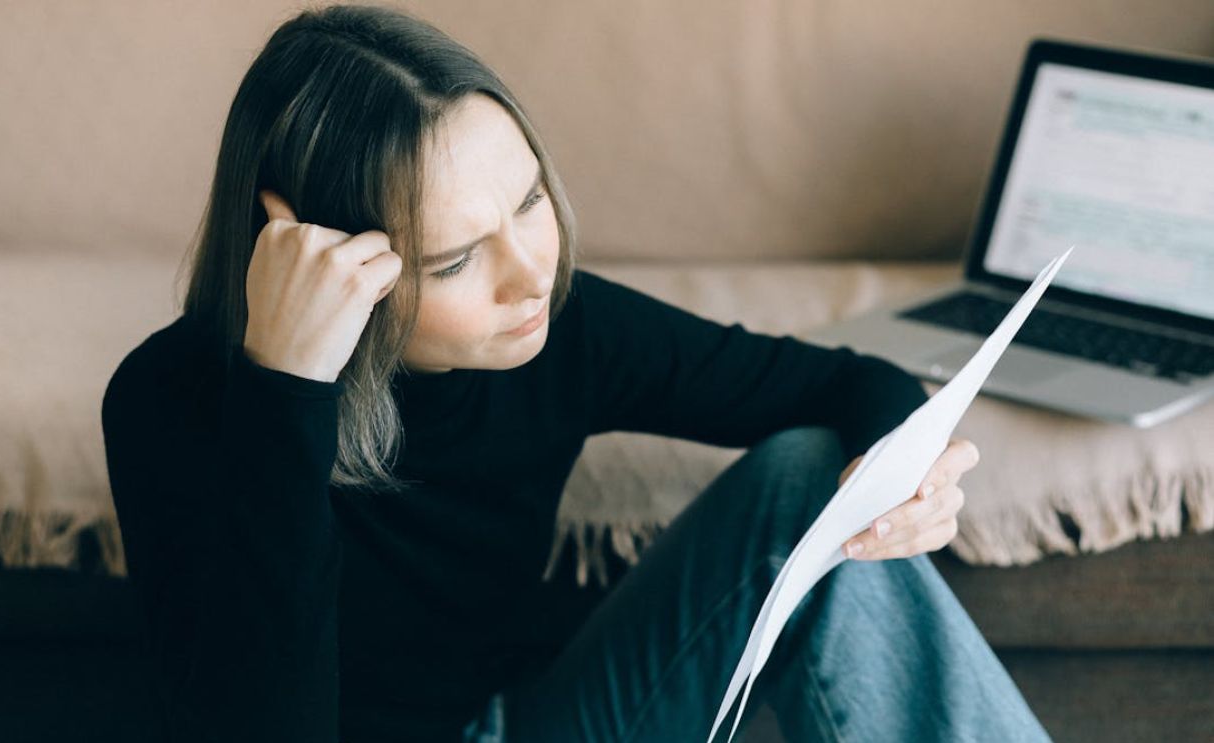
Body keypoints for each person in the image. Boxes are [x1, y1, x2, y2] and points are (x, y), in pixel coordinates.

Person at [100, 4, 1052, 741]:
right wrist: (287, 393)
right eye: (454, 260)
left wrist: (909, 479)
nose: (530, 274)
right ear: (318, 256)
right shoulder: (167, 403)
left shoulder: (557, 323)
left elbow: (843, 384)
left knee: (805, 475)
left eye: (528, 202)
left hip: (518, 723)